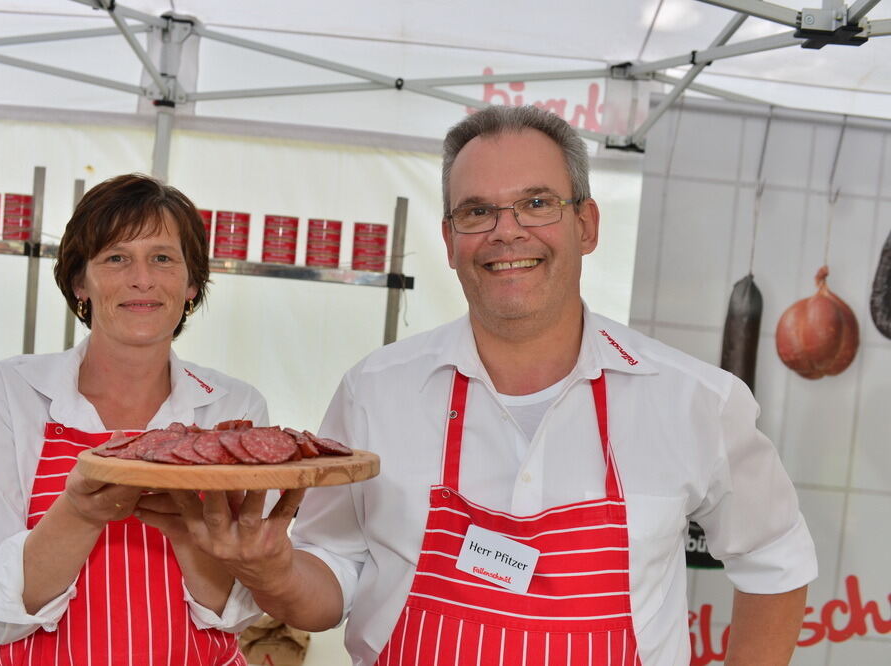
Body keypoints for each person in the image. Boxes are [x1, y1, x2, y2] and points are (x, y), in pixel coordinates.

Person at [143, 106, 818, 665]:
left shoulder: (691, 398)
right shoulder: (376, 391)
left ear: (585, 225)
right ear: (449, 238)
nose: (507, 232)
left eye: (536, 203)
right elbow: (331, 580)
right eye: (477, 212)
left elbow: (775, 561)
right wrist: (270, 570)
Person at [0, 173, 265, 665]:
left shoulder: (232, 408)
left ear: (192, 282)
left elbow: (236, 610)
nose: (142, 278)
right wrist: (80, 513)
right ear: (80, 282)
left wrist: (188, 533)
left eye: (163, 258)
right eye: (116, 258)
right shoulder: (2, 396)